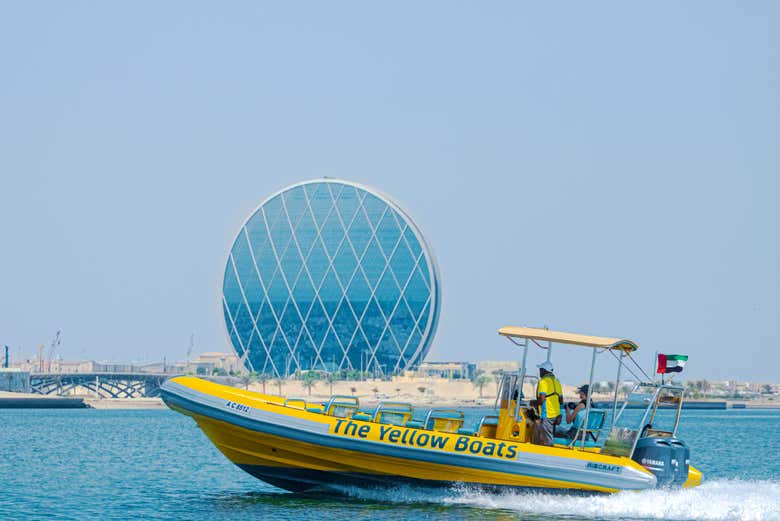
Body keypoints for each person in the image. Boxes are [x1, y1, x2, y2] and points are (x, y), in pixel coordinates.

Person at [530, 361, 562, 446]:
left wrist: (532, 403)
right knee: (544, 434)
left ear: (544, 370)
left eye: (540, 369)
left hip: (547, 414)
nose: (539, 372)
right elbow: (561, 400)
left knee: (547, 440)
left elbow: (541, 400)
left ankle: (548, 455)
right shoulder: (557, 382)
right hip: (556, 415)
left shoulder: (543, 382)